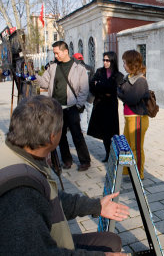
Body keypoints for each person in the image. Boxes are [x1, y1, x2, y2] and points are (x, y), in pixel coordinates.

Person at [0, 95, 130, 255]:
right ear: (52, 137)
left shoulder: (20, 153)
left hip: (46, 235)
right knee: (109, 247)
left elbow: (50, 199)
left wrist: (96, 206)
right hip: (45, 246)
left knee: (112, 240)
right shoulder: (21, 192)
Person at [37, 41, 91, 172]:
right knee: (60, 137)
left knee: (77, 135)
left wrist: (78, 105)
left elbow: (84, 89)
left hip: (72, 107)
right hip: (56, 108)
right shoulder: (53, 66)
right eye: (54, 53)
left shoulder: (79, 67)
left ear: (65, 51)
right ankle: (67, 160)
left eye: (57, 53)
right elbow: (44, 84)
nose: (55, 56)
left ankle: (85, 161)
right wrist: (36, 76)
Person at [117, 50, 150, 179]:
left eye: (125, 63)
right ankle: (126, 171)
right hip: (129, 118)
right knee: (126, 146)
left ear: (132, 64)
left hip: (138, 118)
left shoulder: (140, 80)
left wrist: (119, 92)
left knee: (136, 148)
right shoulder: (128, 78)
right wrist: (121, 92)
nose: (123, 65)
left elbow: (131, 99)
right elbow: (123, 92)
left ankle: (138, 174)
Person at [87, 52, 124, 162]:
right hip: (99, 105)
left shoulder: (118, 75)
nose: (105, 62)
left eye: (107, 60)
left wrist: (99, 85)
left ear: (112, 61)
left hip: (111, 106)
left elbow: (113, 89)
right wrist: (102, 87)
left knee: (112, 131)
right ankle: (108, 153)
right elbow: (91, 86)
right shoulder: (99, 71)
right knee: (103, 132)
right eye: (104, 60)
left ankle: (115, 153)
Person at [72, 53, 95, 133]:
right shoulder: (90, 68)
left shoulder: (75, 69)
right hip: (90, 95)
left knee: (82, 112)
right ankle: (91, 129)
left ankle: (84, 129)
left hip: (80, 94)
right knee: (90, 111)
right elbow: (92, 81)